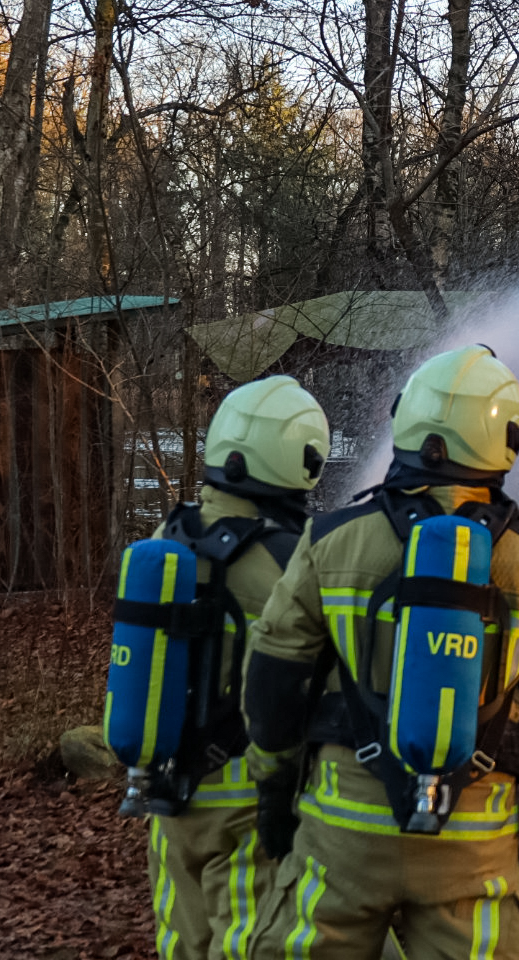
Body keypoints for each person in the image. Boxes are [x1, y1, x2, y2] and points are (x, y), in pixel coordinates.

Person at [242, 345, 519, 960]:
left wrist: (272, 790)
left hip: (343, 833)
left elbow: (274, 676)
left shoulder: (328, 540)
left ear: (407, 422)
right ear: (505, 441)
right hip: (473, 849)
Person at [144, 375, 331, 960]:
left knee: (180, 939)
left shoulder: (167, 537)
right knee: (249, 945)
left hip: (168, 792)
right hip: (247, 798)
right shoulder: (288, 559)